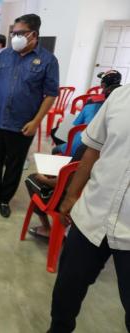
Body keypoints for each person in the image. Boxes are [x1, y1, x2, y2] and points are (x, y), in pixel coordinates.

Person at [48, 83, 130, 333]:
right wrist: (71, 195)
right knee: (67, 291)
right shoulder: (120, 96)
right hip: (93, 213)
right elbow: (92, 150)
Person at [0, 13, 59, 218]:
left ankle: (5, 199)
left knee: (14, 164)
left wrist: (36, 121)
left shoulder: (48, 60)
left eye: (19, 33)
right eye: (13, 33)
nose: (14, 37)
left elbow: (50, 95)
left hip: (23, 124)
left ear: (33, 34)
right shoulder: (4, 55)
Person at [51, 70, 121, 155]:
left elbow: (75, 125)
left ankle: (66, 155)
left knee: (56, 143)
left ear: (103, 85)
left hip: (83, 147)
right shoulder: (120, 104)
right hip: (105, 151)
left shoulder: (92, 102)